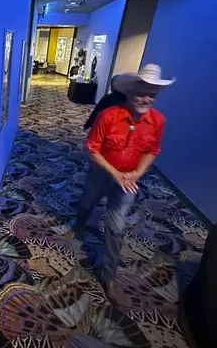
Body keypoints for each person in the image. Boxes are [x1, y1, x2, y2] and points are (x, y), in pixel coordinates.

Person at [74, 64, 175, 302]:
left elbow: (152, 150)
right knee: (88, 201)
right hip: (101, 173)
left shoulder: (158, 121)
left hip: (128, 181)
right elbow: (92, 148)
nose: (146, 98)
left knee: (116, 226)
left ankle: (109, 276)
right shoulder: (108, 115)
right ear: (129, 92)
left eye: (152, 93)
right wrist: (114, 172)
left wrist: (137, 173)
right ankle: (78, 224)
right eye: (141, 92)